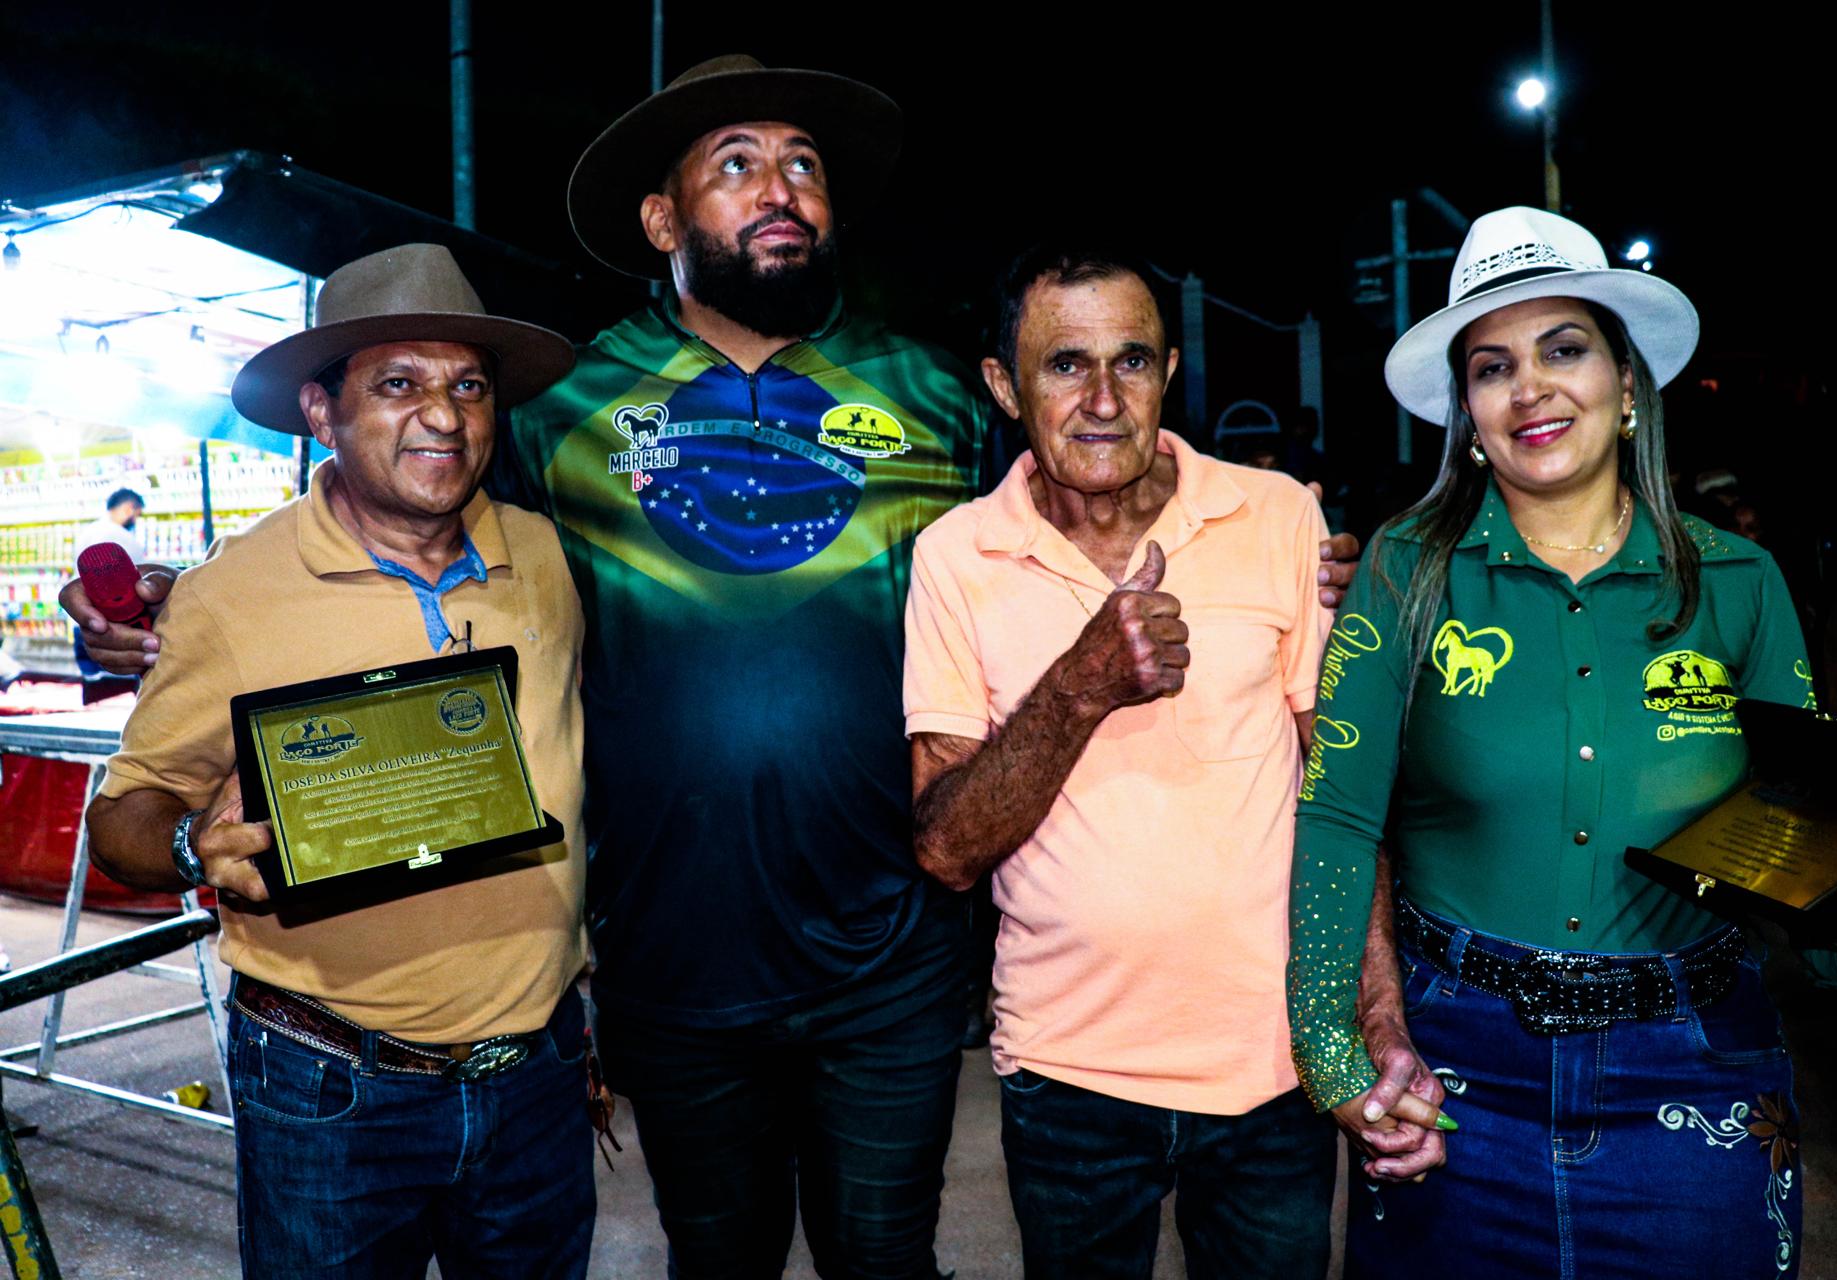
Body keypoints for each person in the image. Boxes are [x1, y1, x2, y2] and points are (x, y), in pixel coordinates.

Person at [60, 55, 1364, 1278]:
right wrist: (215, 597)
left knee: (885, 1259)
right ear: (659, 217)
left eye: (804, 165)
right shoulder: (567, 406)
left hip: (891, 955)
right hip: (673, 965)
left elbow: (1070, 518)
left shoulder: (930, 391)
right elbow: (429, 545)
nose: (780, 188)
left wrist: (1303, 567)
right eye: (737, 163)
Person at [1285, 206, 1837, 1280]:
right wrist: (1332, 1051)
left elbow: (1801, 833)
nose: (1529, 388)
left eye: (1564, 349)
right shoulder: (1404, 568)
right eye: (1492, 367)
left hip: (1698, 1079)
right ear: (1468, 412)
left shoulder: (1739, 582)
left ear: (1627, 385)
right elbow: (1339, 818)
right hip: (1453, 1077)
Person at [903, 247, 1438, 1278]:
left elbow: (1341, 799)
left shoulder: (1275, 514)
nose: (1104, 399)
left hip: (1275, 1067)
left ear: (1170, 371)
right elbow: (946, 849)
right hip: (1067, 1073)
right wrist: (1082, 682)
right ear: (1005, 386)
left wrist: (1374, 1011)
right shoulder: (957, 555)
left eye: (1132, 361)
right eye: (1066, 365)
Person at [82, 244, 596, 1279]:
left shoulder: (543, 556)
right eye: (398, 384)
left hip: (537, 1074)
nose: (443, 417)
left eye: (468, 387)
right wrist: (191, 846)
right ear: (320, 411)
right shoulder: (232, 592)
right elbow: (124, 813)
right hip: (330, 1090)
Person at [76, 487, 144, 557]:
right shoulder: (124, 538)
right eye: (137, 515)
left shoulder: (86, 533)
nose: (135, 521)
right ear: (128, 509)